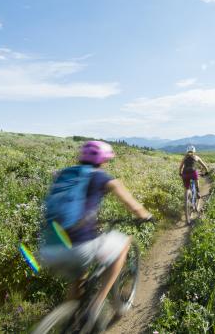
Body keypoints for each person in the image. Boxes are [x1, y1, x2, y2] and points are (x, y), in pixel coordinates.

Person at [38, 140, 152, 330]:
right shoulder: (102, 177)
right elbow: (133, 205)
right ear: (103, 160)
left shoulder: (64, 175)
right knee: (123, 244)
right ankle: (97, 305)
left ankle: (71, 320)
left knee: (79, 276)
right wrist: (145, 215)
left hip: (49, 248)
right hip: (80, 247)